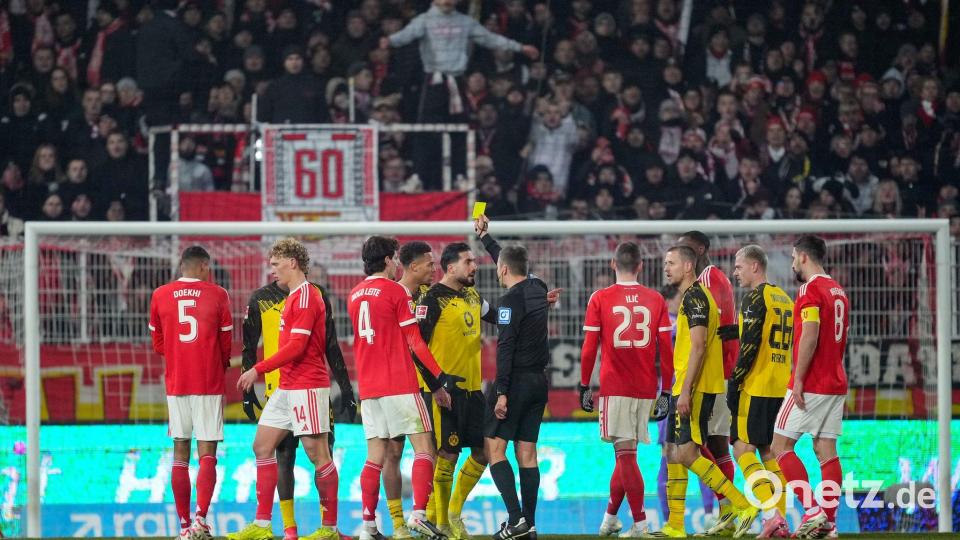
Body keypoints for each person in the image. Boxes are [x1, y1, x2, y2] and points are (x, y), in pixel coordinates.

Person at [230, 239, 343, 540]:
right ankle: (263, 525)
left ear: (293, 262)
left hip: (307, 385)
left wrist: (257, 369)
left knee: (318, 454)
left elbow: (296, 347)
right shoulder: (294, 296)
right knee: (262, 446)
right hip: (286, 386)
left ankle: (330, 528)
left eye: (276, 265)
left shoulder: (307, 297)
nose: (273, 271)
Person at [348, 236, 456, 540]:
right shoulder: (396, 291)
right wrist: (439, 375)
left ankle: (368, 526)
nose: (397, 264)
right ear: (386, 261)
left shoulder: (354, 294)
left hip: (368, 388)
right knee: (425, 449)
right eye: (395, 259)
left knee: (374, 456)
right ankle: (419, 515)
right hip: (399, 383)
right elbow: (414, 340)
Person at [659, 245, 758, 538]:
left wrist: (687, 390)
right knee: (674, 453)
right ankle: (675, 525)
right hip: (688, 385)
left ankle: (741, 505)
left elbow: (699, 346)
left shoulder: (695, 299)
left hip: (696, 387)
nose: (666, 268)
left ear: (688, 266)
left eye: (671, 263)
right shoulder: (695, 297)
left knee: (688, 453)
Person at [579, 242, 674, 537]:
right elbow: (666, 351)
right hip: (646, 388)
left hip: (616, 387)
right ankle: (610, 519)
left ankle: (641, 525)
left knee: (626, 457)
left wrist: (584, 384)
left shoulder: (601, 298)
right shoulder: (656, 299)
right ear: (641, 266)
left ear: (612, 264)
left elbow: (589, 348)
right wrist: (667, 391)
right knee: (626, 455)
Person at [148, 246, 232, 540]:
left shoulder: (160, 294)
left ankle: (183, 527)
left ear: (181, 266)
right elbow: (226, 345)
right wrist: (215, 363)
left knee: (180, 451)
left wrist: (178, 353)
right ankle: (200, 520)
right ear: (203, 266)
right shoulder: (218, 294)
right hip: (207, 382)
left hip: (177, 383)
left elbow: (158, 343)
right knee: (207, 454)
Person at [417, 242, 499, 539]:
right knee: (447, 455)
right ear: (450, 267)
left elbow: (499, 316)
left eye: (473, 261)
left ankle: (452, 512)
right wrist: (436, 386)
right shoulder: (432, 299)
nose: (474, 266)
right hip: (444, 392)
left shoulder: (473, 295)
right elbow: (417, 347)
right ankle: (439, 524)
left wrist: (534, 305)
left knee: (484, 452)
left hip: (473, 389)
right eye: (468, 262)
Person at [772, 236, 849, 539]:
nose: (792, 264)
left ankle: (813, 511)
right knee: (826, 451)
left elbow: (811, 334)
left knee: (780, 446)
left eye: (793, 257)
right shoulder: (838, 290)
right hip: (836, 381)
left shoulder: (810, 289)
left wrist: (800, 378)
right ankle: (828, 524)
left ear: (804, 257)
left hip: (813, 381)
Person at [485, 242, 549, 540]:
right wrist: (487, 240)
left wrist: (501, 391)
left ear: (503, 269)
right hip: (539, 383)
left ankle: (515, 519)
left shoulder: (510, 300)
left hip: (517, 383)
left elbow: (505, 347)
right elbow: (513, 260)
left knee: (494, 449)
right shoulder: (539, 287)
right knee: (527, 453)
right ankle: (530, 525)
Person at [677, 231, 739, 535]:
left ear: (699, 249)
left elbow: (707, 333)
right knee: (714, 443)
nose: (678, 251)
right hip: (717, 373)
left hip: (714, 374)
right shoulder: (713, 278)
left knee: (694, 446)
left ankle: (733, 505)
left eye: (684, 246)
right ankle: (729, 510)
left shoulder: (708, 281)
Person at [729, 245, 793, 538]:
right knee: (769, 451)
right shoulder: (784, 298)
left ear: (755, 266)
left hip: (756, 384)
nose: (735, 272)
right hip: (780, 383)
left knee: (742, 448)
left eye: (739, 267)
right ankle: (779, 521)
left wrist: (735, 381)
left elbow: (750, 347)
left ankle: (770, 514)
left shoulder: (755, 298)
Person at [383, 240, 440, 540]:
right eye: (430, 263)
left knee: (428, 451)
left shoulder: (427, 296)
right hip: (406, 385)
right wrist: (438, 381)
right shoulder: (394, 296)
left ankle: (419, 518)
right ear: (413, 265)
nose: (435, 268)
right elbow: (413, 346)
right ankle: (401, 523)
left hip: (416, 384)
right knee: (398, 452)